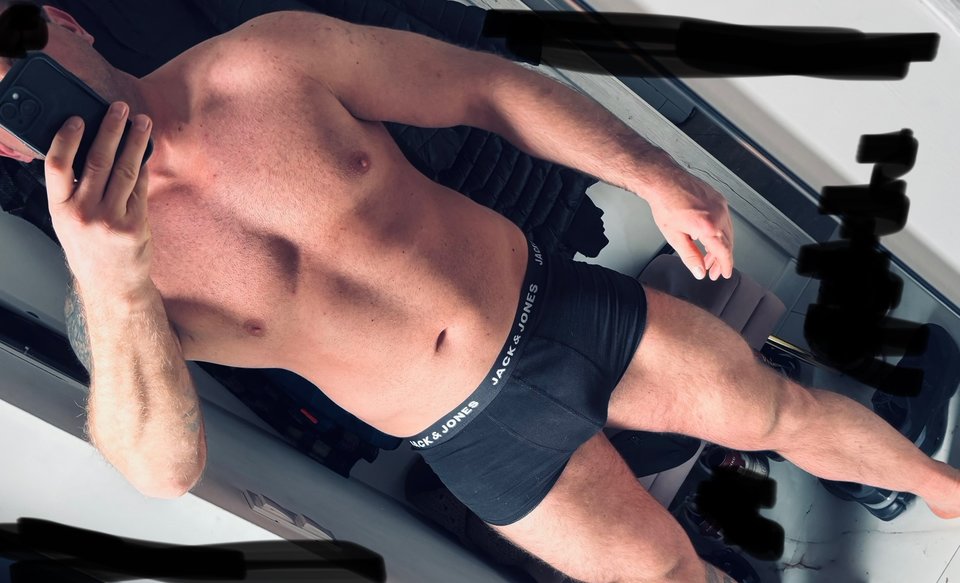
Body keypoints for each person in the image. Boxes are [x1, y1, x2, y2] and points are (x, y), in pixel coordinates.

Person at [2, 3, 958, 582]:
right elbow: (161, 469)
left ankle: (945, 490)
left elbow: (481, 88)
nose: (18, 96)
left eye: (15, 60)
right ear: (5, 150)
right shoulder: (107, 281)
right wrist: (116, 282)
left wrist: (651, 173)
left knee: (776, 409)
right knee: (664, 571)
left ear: (66, 23)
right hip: (473, 439)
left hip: (556, 309)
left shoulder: (262, 59)